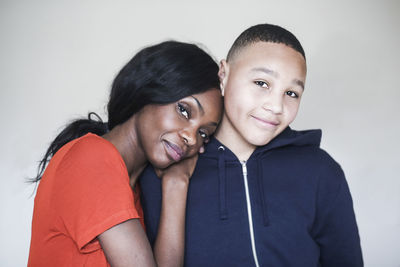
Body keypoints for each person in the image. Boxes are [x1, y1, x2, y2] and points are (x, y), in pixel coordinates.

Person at [139, 24, 363, 266]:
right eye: (261, 83)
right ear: (223, 75)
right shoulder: (165, 168)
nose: (276, 106)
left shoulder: (320, 171)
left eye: (291, 93)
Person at [27, 41, 223, 267]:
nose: (191, 137)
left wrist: (176, 183)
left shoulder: (131, 189)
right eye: (184, 110)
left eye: (204, 133)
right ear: (148, 91)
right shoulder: (92, 157)